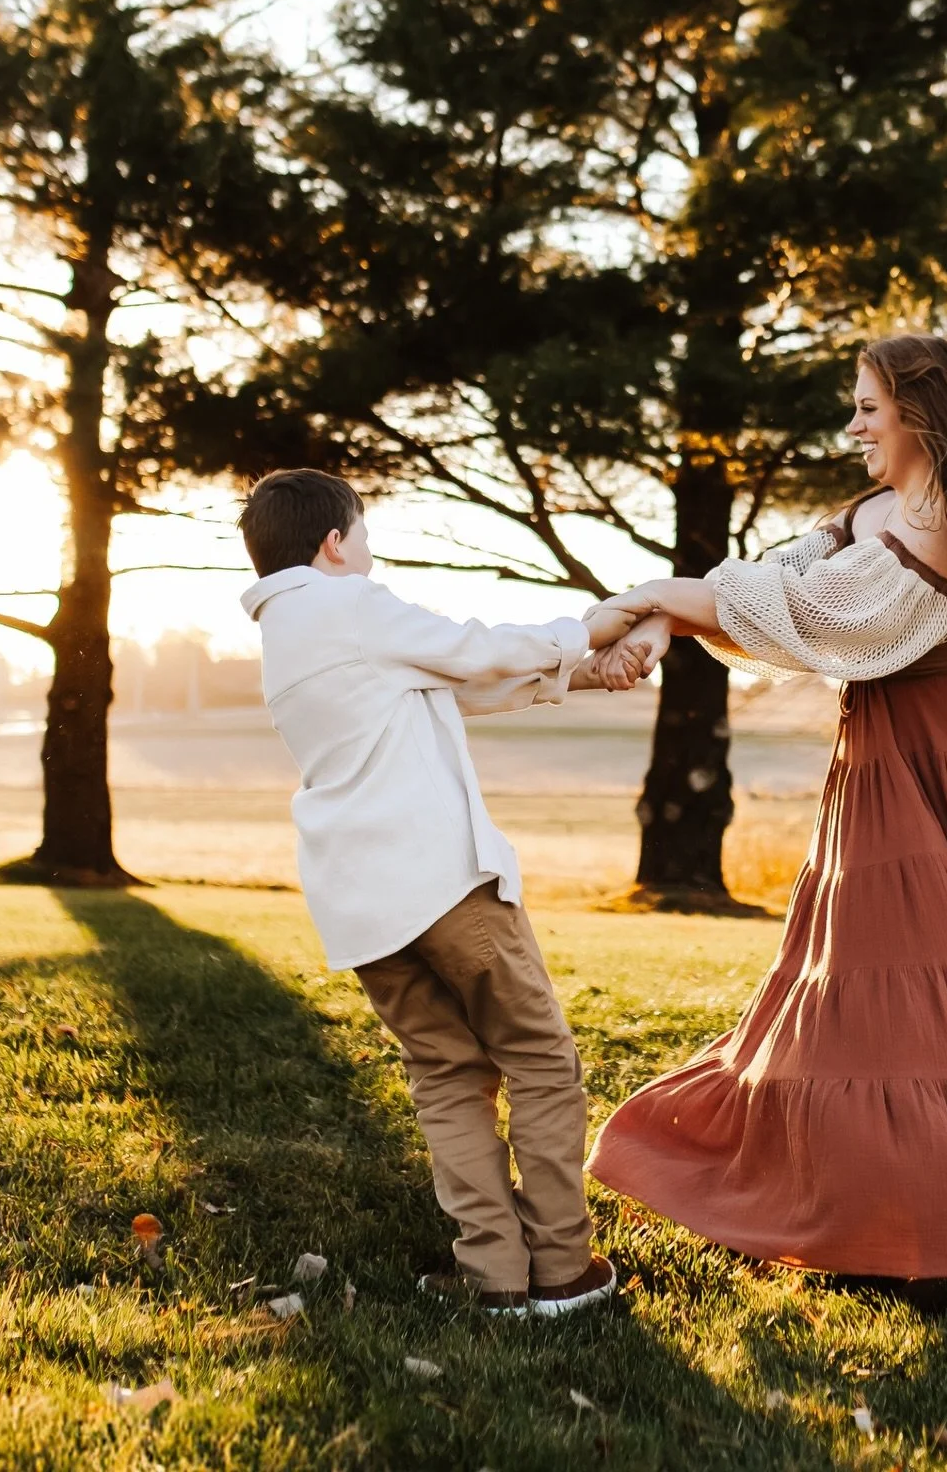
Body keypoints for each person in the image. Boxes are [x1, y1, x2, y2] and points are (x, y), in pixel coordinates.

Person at [585, 333, 947, 1284]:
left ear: (923, 413)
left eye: (869, 406)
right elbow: (773, 588)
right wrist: (658, 619)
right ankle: (889, 1218)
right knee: (876, 982)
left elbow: (829, 621)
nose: (853, 423)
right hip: (892, 761)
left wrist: (653, 594)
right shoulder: (873, 510)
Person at [239, 467, 647, 1315]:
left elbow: (449, 685)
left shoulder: (289, 635)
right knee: (539, 1059)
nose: (370, 554)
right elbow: (477, 646)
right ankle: (564, 1270)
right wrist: (590, 626)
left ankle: (492, 1275)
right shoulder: (346, 601)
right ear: (334, 543)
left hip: (359, 900)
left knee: (446, 1073)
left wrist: (584, 671)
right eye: (365, 537)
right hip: (440, 881)